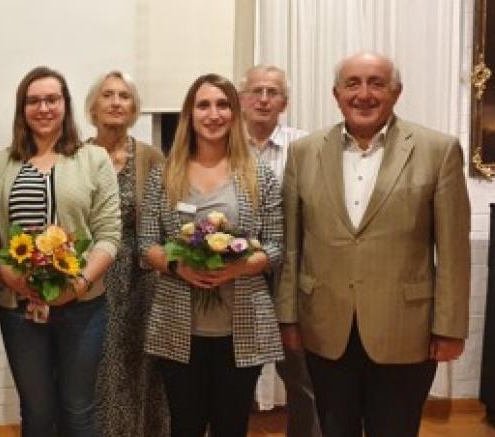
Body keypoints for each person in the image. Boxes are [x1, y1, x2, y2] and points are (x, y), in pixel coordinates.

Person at [277, 52, 471, 437]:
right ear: (336, 94)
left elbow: (453, 251)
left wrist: (450, 328)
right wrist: (289, 317)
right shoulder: (304, 152)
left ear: (396, 92)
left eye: (376, 83)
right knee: (334, 428)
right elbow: (293, 244)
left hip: (405, 329)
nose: (363, 94)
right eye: (352, 84)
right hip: (325, 326)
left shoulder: (438, 150)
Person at [139, 73, 283, 437]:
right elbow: (146, 245)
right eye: (203, 105)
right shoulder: (164, 176)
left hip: (243, 326)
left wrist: (236, 269)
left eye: (223, 105)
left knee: (231, 426)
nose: (213, 114)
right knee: (184, 425)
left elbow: (277, 247)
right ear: (189, 114)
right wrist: (179, 267)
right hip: (178, 324)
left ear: (235, 114)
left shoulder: (259, 175)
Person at [0, 66, 120, 437]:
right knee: (37, 412)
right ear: (22, 108)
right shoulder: (0, 164)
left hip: (83, 306)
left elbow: (109, 235)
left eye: (52, 99)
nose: (43, 108)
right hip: (20, 308)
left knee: (79, 409)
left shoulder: (93, 159)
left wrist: (77, 283)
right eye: (33, 100)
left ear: (66, 105)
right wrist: (9, 274)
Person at [83, 70, 168, 437]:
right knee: (96, 365)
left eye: (124, 96)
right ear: (93, 106)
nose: (116, 102)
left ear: (134, 108)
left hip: (142, 278)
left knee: (142, 366)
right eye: (108, 95)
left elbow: (165, 219)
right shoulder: (78, 155)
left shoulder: (152, 157)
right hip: (92, 276)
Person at [238, 64, 319, 437]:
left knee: (302, 377)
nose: (264, 99)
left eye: (273, 92)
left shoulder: (306, 148)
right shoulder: (223, 144)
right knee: (233, 379)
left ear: (284, 102)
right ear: (241, 98)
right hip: (235, 277)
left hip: (291, 274)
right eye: (257, 91)